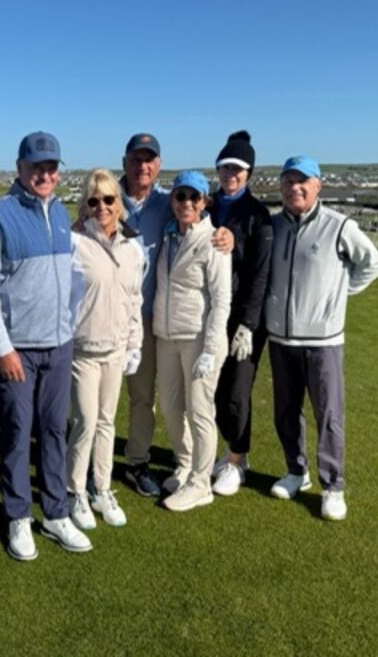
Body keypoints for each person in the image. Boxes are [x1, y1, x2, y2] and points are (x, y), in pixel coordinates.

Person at [0, 131, 91, 560]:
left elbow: (73, 276)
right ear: (20, 168)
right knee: (19, 433)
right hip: (16, 349)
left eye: (51, 167)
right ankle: (19, 517)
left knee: (55, 430)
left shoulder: (60, 212)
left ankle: (55, 513)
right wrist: (2, 348)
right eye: (36, 166)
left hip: (59, 345)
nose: (45, 174)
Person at [264, 155, 378, 521]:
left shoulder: (338, 225)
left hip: (323, 341)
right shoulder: (274, 226)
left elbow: (373, 263)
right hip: (281, 338)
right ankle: (296, 472)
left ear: (318, 185)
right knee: (286, 412)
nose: (294, 188)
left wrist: (338, 295)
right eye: (288, 181)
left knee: (328, 415)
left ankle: (333, 486)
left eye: (303, 181)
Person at [119, 134, 234, 497]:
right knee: (149, 405)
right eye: (137, 159)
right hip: (119, 320)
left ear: (158, 165)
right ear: (125, 162)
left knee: (156, 401)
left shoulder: (167, 206)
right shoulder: (108, 198)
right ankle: (182, 465)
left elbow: (220, 294)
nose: (143, 166)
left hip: (157, 323)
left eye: (149, 160)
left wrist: (228, 236)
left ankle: (146, 466)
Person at [66, 168, 145, 531]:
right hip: (82, 350)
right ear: (85, 205)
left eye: (109, 199)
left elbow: (134, 299)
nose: (102, 207)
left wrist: (135, 344)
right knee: (84, 422)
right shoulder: (74, 242)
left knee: (107, 422)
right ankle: (75, 491)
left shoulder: (132, 246)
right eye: (93, 200)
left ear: (119, 203)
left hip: (116, 349)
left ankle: (102, 488)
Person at [153, 171, 232, 512]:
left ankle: (201, 483)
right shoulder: (168, 235)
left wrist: (212, 350)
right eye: (180, 196)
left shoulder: (214, 240)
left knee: (200, 411)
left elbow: (221, 300)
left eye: (193, 198)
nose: (186, 203)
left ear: (204, 202)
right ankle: (185, 464)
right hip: (166, 335)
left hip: (199, 339)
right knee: (171, 409)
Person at [208, 131, 273, 497]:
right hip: (211, 314)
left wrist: (247, 325)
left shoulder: (258, 216)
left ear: (248, 173)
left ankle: (236, 460)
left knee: (236, 391)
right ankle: (229, 450)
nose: (231, 173)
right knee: (214, 391)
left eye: (238, 168)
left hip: (243, 319)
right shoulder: (208, 204)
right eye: (226, 167)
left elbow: (258, 276)